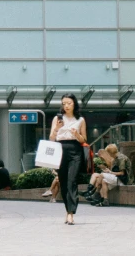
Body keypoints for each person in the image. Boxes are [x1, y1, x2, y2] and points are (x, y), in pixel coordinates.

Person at [49, 93, 87, 225]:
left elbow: (84, 140)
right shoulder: (57, 118)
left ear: (74, 104)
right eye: (64, 103)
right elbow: (51, 138)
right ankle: (68, 210)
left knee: (72, 181)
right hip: (60, 151)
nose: (66, 106)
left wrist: (76, 134)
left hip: (75, 150)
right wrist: (57, 129)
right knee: (64, 183)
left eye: (69, 103)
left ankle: (71, 213)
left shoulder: (80, 120)